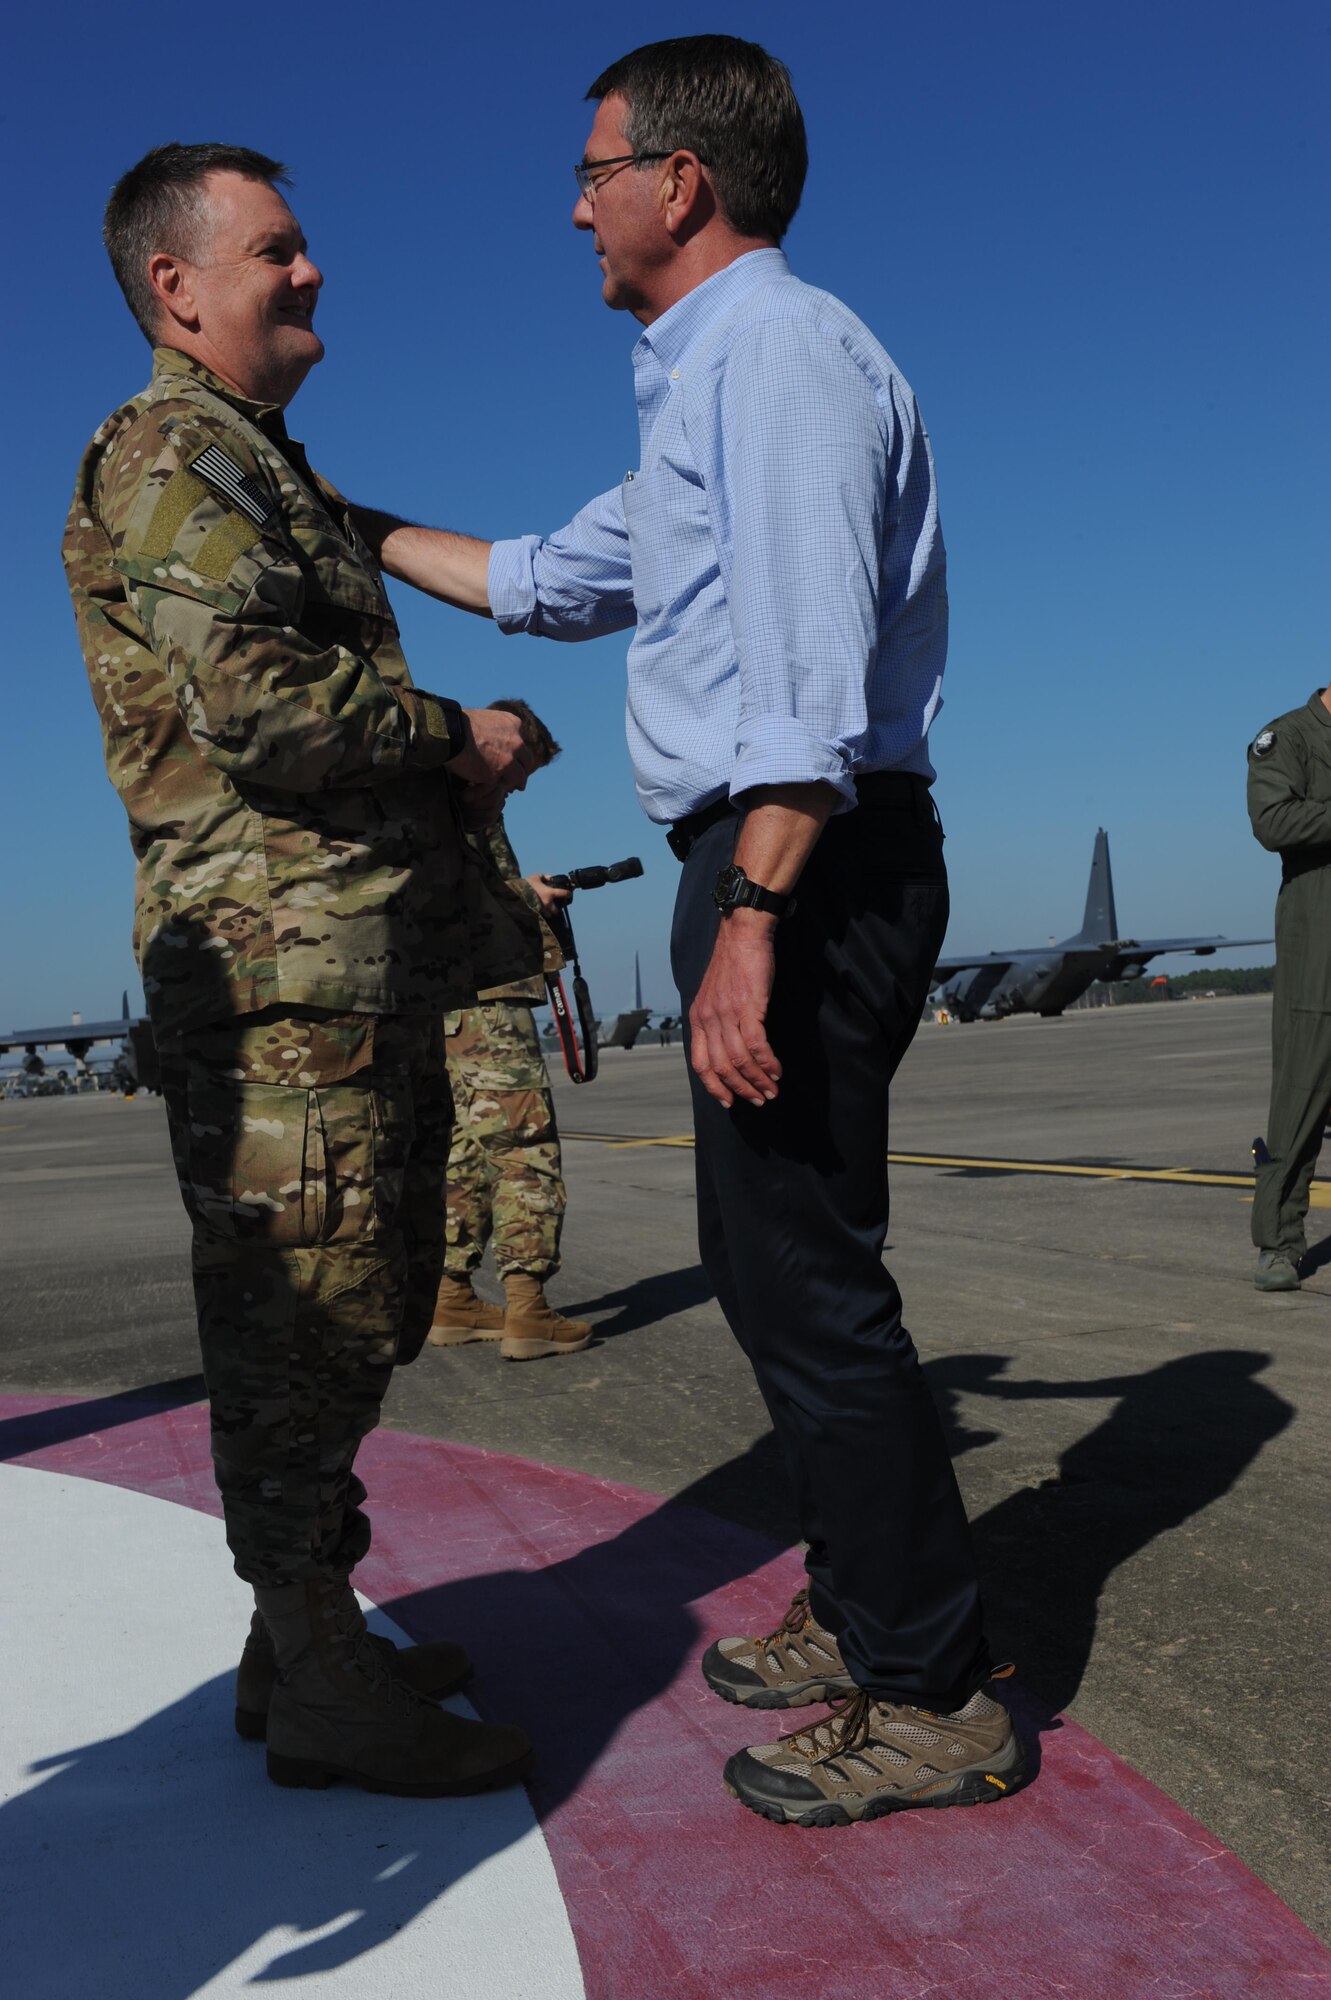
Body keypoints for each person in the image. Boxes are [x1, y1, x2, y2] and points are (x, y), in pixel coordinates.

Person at [361, 35, 1022, 1824]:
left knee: (807, 1284)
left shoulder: (781, 356)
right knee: (777, 1271)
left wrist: (748, 913)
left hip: (799, 857)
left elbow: (809, 661)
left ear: (682, 182)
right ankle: (866, 1598)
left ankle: (931, 1687)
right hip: (768, 854)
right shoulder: (701, 377)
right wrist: (344, 530)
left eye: (591, 169)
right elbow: (550, 580)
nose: (573, 204)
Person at [62, 142, 542, 1798]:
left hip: (338, 971)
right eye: (277, 249)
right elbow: (257, 704)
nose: (312, 270)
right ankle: (324, 1674)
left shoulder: (255, 460)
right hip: (282, 986)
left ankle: (299, 1647)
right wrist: (452, 733)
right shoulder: (166, 451)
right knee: (297, 1328)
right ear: (176, 288)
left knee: (345, 1317)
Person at [429, 701, 592, 1361]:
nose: (519, 785)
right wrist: (530, 897)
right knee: (524, 1146)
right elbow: (463, 898)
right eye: (520, 767)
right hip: (485, 991)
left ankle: (451, 1295)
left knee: (465, 1148)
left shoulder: (428, 796)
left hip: (437, 994)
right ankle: (528, 1309)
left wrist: (518, 887)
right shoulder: (468, 794)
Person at [1247, 687, 1331, 1290]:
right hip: (1319, 943)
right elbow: (1272, 821)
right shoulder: (1287, 738)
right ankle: (1279, 1244)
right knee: (1302, 1093)